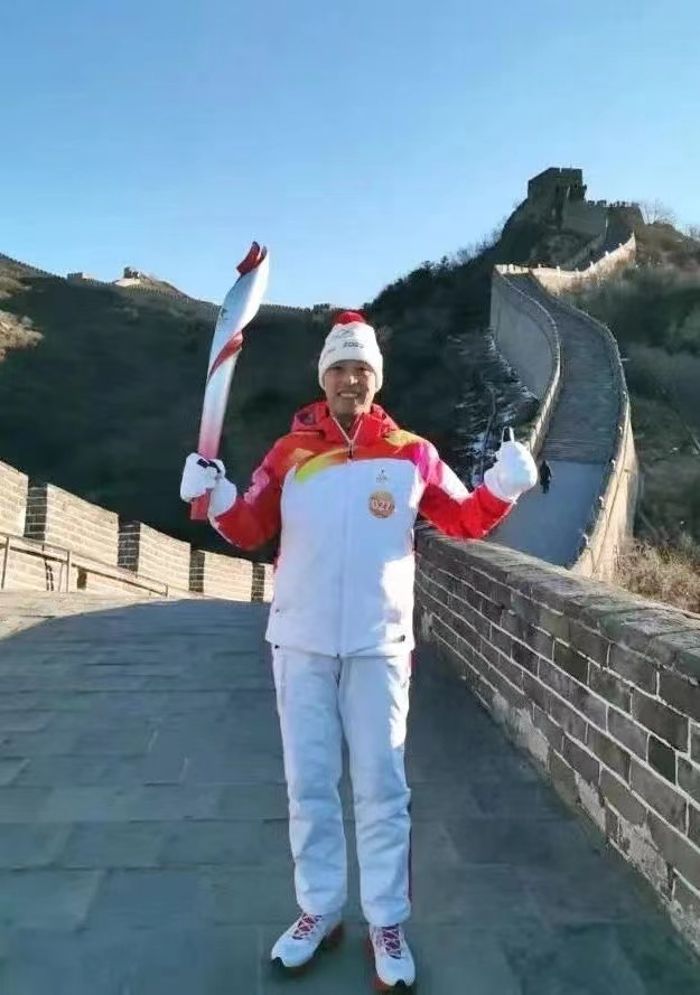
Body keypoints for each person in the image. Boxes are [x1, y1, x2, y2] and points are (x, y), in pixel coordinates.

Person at [180, 310, 537, 990]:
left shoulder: (412, 453)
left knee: (382, 788)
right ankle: (319, 909)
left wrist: (503, 487)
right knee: (309, 785)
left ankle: (386, 920)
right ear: (324, 377)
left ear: (377, 379)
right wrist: (217, 495)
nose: (351, 379)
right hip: (301, 641)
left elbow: (464, 520)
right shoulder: (287, 453)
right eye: (340, 368)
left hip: (380, 644)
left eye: (362, 369)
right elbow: (250, 527)